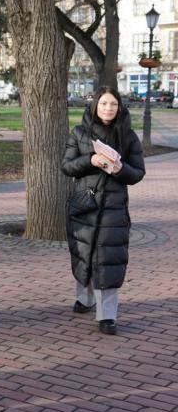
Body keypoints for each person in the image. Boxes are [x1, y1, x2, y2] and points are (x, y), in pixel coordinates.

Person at [61, 86, 145, 335]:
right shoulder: (79, 133)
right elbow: (66, 166)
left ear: (120, 108)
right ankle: (85, 298)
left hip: (114, 208)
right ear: (95, 106)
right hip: (85, 204)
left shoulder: (128, 137)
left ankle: (107, 315)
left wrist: (119, 168)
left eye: (113, 104)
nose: (108, 108)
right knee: (84, 254)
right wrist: (90, 160)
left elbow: (138, 173)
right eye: (104, 104)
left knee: (109, 260)